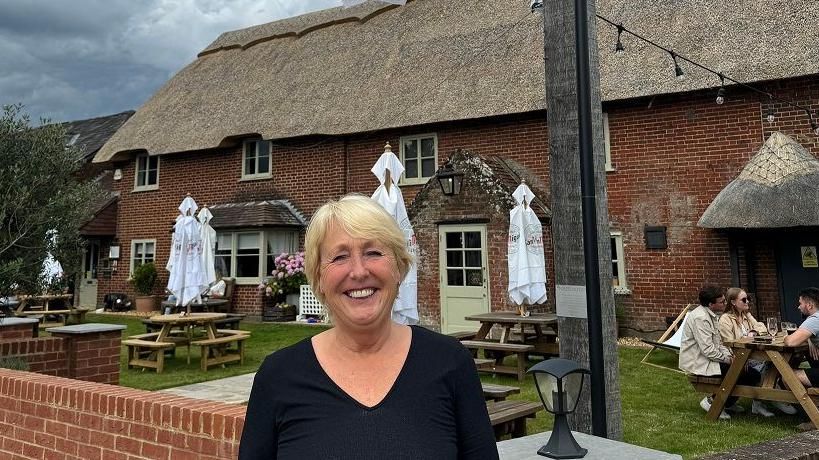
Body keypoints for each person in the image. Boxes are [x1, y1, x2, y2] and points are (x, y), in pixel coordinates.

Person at [239, 194, 498, 459]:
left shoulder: (450, 362)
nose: (359, 271)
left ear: (399, 268)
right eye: (339, 257)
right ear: (319, 278)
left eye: (373, 252)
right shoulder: (278, 376)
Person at [680, 285, 760, 419]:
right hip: (699, 361)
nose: (725, 303)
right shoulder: (701, 318)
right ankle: (712, 402)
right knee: (744, 373)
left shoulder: (713, 315)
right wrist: (729, 360)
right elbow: (708, 351)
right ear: (711, 304)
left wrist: (731, 356)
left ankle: (727, 403)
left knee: (749, 373)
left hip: (711, 358)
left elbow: (720, 343)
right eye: (722, 302)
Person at [718, 288, 795, 416]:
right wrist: (744, 347)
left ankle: (763, 401)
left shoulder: (746, 315)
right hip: (738, 357)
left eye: (748, 298)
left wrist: (754, 332)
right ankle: (772, 398)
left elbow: (762, 327)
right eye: (744, 299)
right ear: (732, 302)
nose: (747, 301)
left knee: (776, 363)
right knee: (772, 364)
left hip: (751, 355)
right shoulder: (725, 319)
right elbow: (728, 342)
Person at [784, 287, 819, 388]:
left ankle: (807, 404)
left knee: (788, 377)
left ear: (809, 305)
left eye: (800, 303)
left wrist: (786, 337)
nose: (799, 307)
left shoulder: (814, 319)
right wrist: (809, 339)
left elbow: (791, 342)